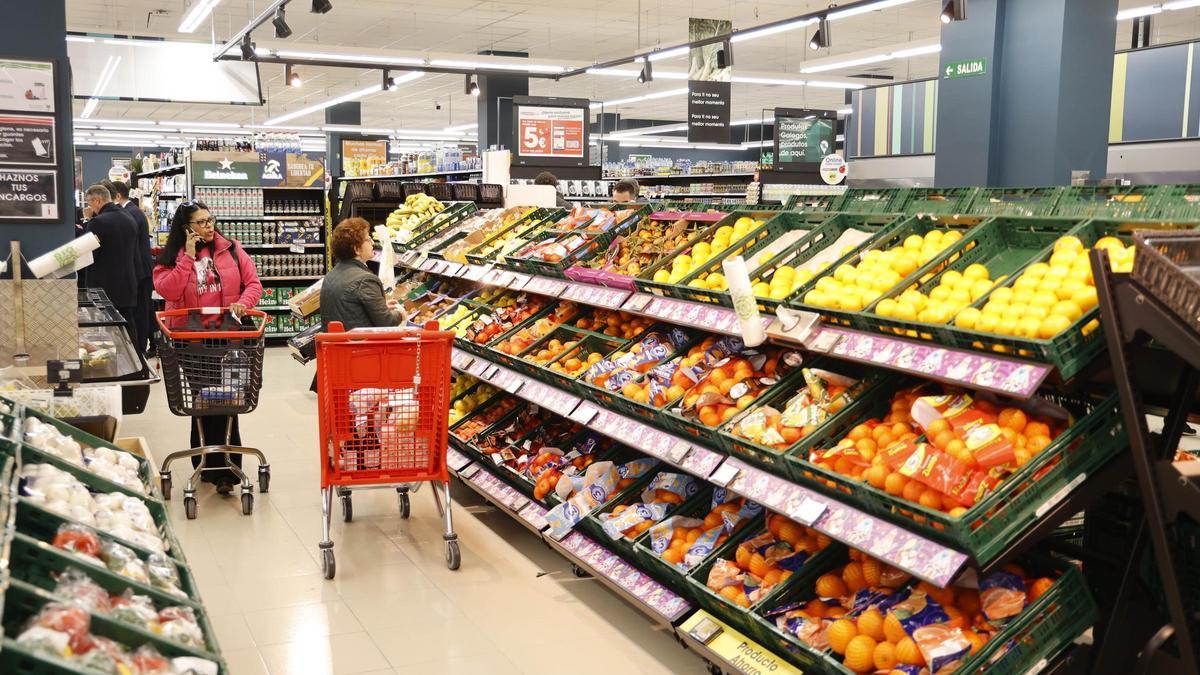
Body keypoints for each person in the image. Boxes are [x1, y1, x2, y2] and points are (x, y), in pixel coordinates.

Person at [153, 200, 263, 493]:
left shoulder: (232, 250)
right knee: (203, 399)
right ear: (186, 228)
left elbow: (253, 284)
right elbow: (169, 290)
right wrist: (187, 258)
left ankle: (223, 467)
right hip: (191, 341)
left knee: (228, 401)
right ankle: (217, 467)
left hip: (229, 337)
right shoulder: (170, 258)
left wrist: (244, 303)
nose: (208, 226)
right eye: (201, 222)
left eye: (210, 220)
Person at [312, 217, 407, 392]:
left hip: (337, 358)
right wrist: (401, 313)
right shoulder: (365, 279)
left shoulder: (332, 275)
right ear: (356, 248)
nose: (372, 242)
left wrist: (380, 304)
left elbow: (350, 306)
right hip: (362, 360)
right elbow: (386, 322)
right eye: (368, 239)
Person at [82, 184, 139, 340]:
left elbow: (89, 254)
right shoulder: (129, 217)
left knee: (107, 332)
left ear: (97, 200)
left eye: (89, 203)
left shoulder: (98, 222)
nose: (90, 207)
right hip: (127, 284)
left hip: (104, 287)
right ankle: (137, 360)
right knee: (127, 327)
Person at [113, 181, 153, 356]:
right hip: (139, 269)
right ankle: (145, 345)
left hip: (140, 271)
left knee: (141, 312)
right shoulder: (132, 212)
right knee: (143, 310)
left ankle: (141, 348)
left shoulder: (131, 214)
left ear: (117, 196)